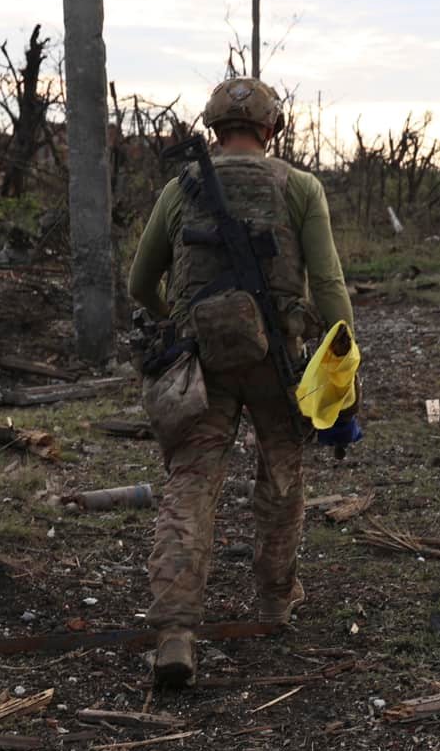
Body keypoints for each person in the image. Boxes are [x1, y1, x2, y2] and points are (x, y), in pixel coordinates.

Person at [126, 77, 355, 688]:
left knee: (190, 485)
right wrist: (343, 363)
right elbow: (328, 287)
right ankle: (276, 603)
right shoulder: (300, 187)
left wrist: (173, 319)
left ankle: (175, 630)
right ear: (272, 129)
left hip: (199, 361)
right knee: (281, 476)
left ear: (212, 130)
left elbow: (139, 284)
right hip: (279, 357)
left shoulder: (182, 188)